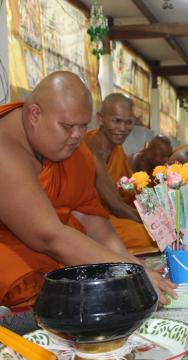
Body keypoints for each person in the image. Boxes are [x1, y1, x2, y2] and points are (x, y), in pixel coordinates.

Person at [0, 72, 176, 307]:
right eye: (67, 126)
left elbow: (88, 213)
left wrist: (129, 261)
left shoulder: (71, 149)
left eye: (83, 127)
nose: (77, 136)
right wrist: (125, 270)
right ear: (34, 114)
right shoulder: (5, 151)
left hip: (53, 245)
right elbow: (49, 236)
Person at [84, 93, 155, 252]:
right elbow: (115, 204)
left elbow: (127, 190)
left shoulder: (116, 147)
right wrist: (152, 222)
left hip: (113, 214)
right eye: (116, 121)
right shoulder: (94, 150)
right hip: (91, 218)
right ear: (101, 118)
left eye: (128, 122)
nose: (122, 129)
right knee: (149, 236)